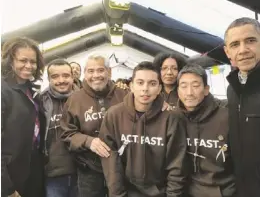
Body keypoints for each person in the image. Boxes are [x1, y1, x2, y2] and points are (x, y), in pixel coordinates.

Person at [99, 61, 187, 197]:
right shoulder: (114, 115)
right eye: (140, 83)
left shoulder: (171, 118)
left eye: (152, 84)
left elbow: (176, 165)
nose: (145, 89)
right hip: (125, 192)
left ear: (159, 88)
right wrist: (117, 194)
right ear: (131, 86)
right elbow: (111, 162)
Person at [60, 53, 128, 197]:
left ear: (109, 72)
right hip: (89, 170)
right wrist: (88, 141)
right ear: (84, 74)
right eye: (90, 71)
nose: (96, 75)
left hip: (121, 168)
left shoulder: (124, 95)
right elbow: (67, 134)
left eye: (100, 70)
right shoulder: (74, 100)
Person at [177, 63, 235, 197]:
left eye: (196, 86)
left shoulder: (226, 117)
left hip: (222, 191)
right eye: (184, 86)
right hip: (186, 190)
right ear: (178, 90)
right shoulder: (174, 118)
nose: (189, 92)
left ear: (206, 89)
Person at [1, 37, 46, 197]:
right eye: (23, 60)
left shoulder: (30, 89)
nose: (29, 66)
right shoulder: (3, 91)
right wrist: (5, 187)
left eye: (33, 62)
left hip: (33, 168)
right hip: (10, 173)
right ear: (10, 61)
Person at [224, 17, 260, 197]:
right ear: (227, 52)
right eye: (235, 44)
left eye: (251, 41)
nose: (243, 50)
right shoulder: (232, 90)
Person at [41, 59, 77, 197]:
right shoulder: (40, 101)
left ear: (73, 77)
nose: (61, 80)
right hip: (52, 175)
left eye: (66, 75)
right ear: (48, 79)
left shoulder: (83, 99)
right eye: (55, 76)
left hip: (82, 173)